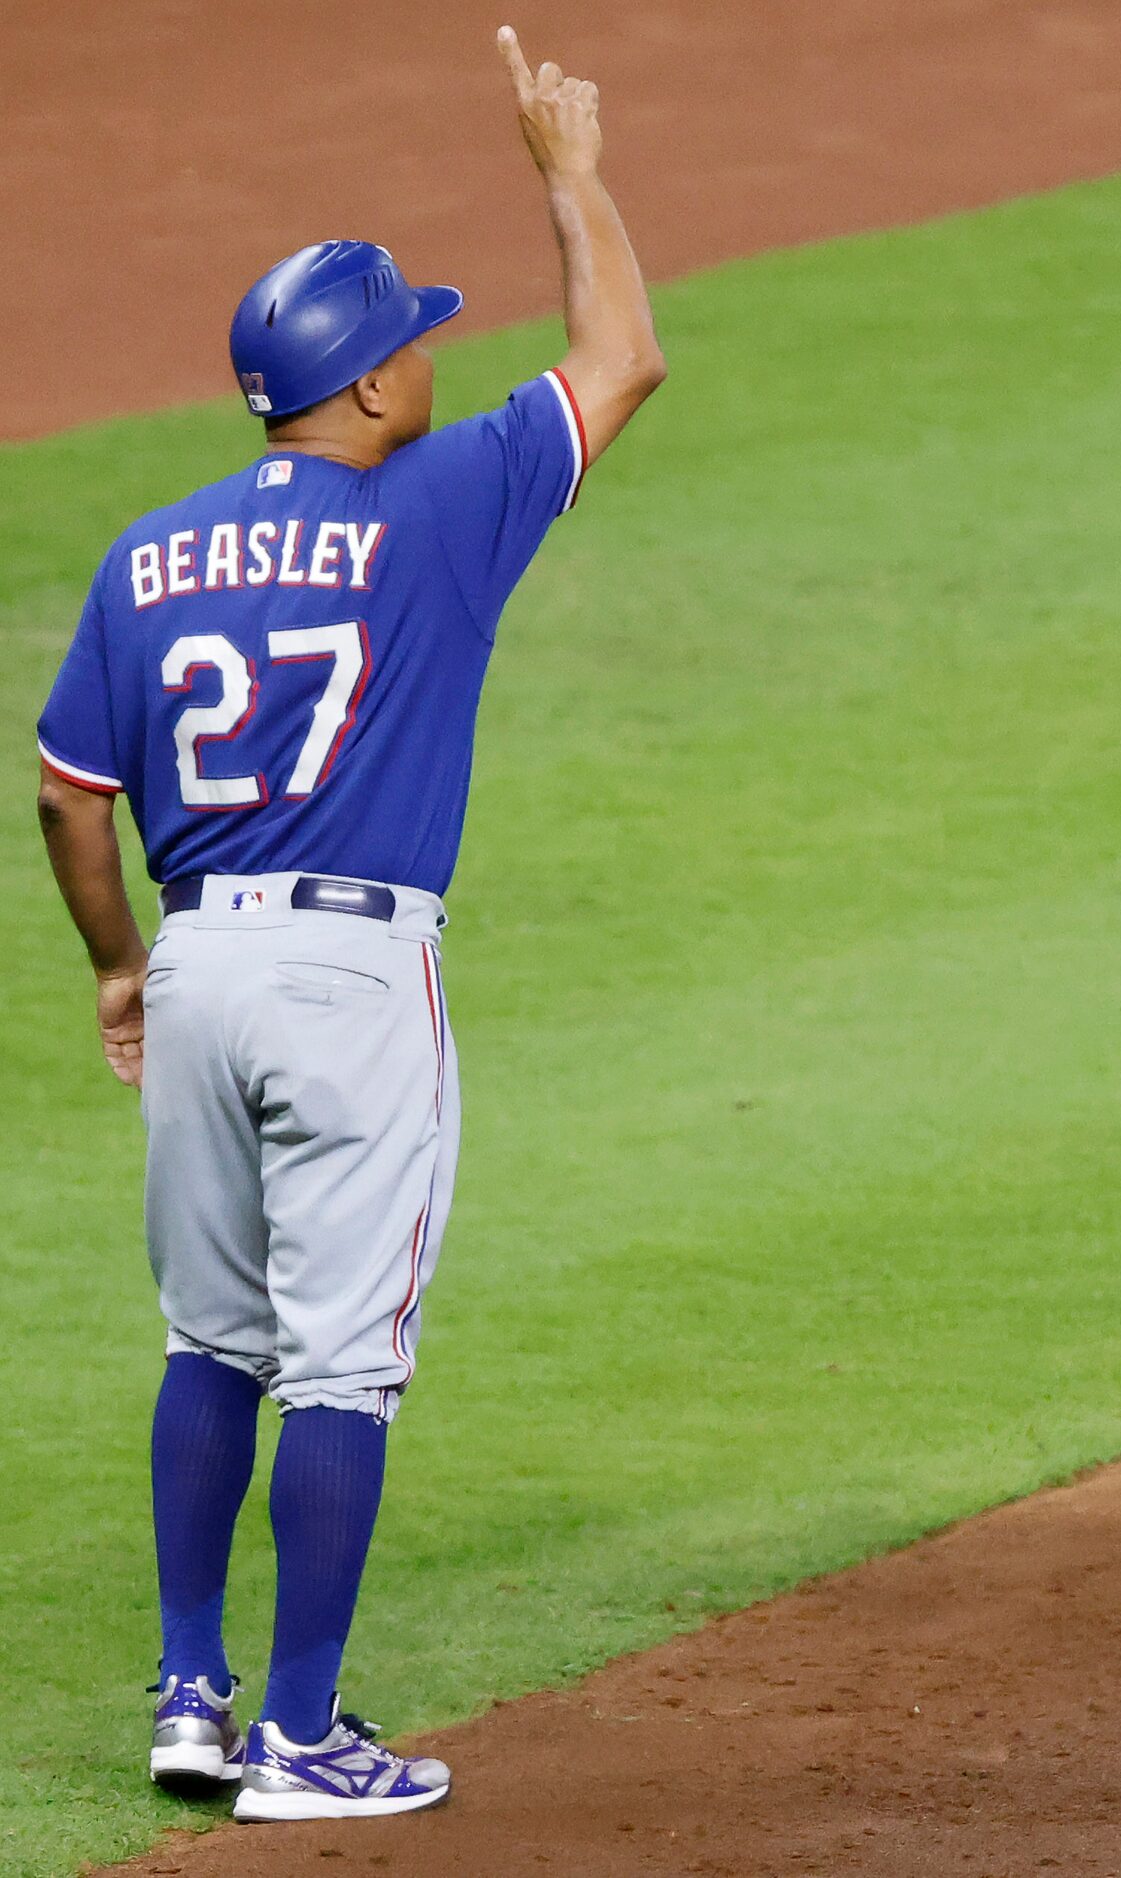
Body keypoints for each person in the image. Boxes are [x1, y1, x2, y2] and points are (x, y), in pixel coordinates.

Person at [33, 27, 665, 1822]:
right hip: (348, 972)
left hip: (202, 958)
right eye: (417, 341)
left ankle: (186, 1689)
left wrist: (114, 962)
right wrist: (565, 167)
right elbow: (624, 355)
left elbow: (72, 795)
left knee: (206, 1339)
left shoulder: (148, 550)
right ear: (374, 389)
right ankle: (304, 1739)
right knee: (341, 1359)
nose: (433, 355)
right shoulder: (439, 503)